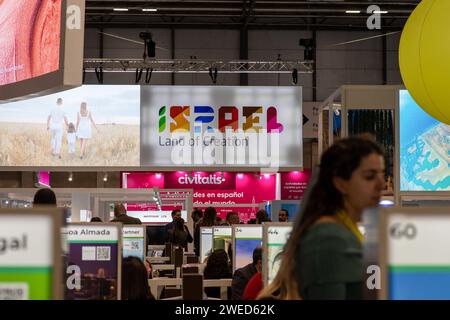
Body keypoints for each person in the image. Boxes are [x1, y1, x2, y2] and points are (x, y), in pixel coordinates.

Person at [257, 136, 386, 300]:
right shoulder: (329, 237)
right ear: (341, 183)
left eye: (382, 174)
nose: (381, 184)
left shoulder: (340, 231)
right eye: (369, 176)